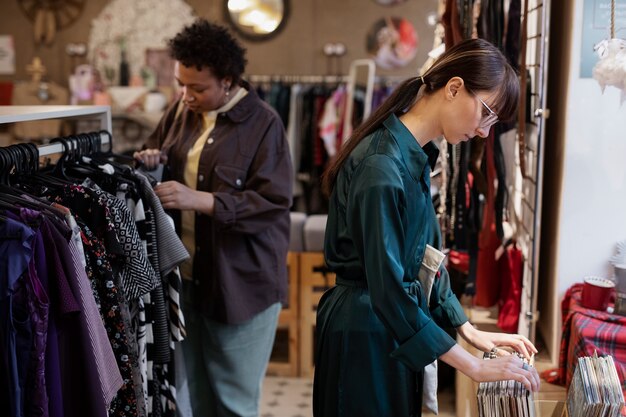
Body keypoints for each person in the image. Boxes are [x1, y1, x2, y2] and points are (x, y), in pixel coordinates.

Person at [314, 38, 540, 417]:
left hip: (389, 324)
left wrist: (468, 329)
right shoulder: (381, 166)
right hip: (365, 327)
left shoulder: (412, 157)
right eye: (486, 113)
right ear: (454, 88)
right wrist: (475, 366)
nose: (485, 132)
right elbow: (388, 287)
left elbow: (424, 259)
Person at [134, 19, 293, 417]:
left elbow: (273, 203)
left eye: (198, 87)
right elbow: (156, 149)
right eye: (181, 84)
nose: (186, 95)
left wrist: (203, 200)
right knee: (197, 398)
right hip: (188, 278)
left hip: (240, 283)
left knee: (234, 402)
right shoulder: (180, 112)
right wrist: (151, 159)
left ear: (227, 81)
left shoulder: (264, 124)